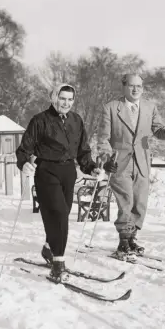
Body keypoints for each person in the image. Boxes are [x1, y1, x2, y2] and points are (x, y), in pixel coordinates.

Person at [16, 83, 103, 282]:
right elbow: (24, 149)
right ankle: (58, 262)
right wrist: (24, 164)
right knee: (59, 214)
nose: (66, 103)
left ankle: (48, 248)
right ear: (53, 97)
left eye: (70, 99)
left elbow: (83, 151)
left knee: (61, 213)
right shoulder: (40, 120)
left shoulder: (76, 120)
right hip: (46, 170)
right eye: (62, 98)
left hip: (68, 172)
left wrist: (91, 168)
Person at [97, 73, 165, 260]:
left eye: (139, 87)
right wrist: (106, 158)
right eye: (132, 86)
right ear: (124, 87)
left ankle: (132, 237)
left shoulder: (149, 107)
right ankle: (123, 240)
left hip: (142, 161)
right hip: (119, 162)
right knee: (125, 200)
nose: (136, 90)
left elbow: (158, 130)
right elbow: (103, 138)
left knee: (140, 202)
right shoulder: (110, 108)